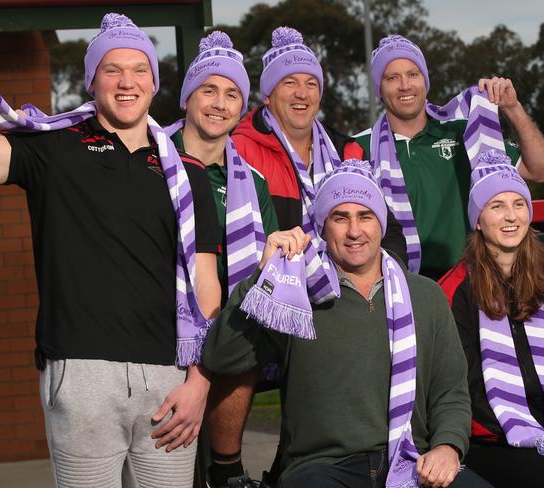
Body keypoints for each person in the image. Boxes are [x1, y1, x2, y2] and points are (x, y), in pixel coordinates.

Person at [0, 1, 221, 487]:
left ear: (155, 81)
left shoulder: (187, 175)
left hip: (170, 380)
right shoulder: (53, 149)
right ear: (92, 80)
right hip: (81, 377)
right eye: (112, 69)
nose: (127, 82)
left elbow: (206, 287)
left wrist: (200, 382)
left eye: (139, 69)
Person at [203, 160, 493, 488]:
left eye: (365, 216)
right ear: (323, 227)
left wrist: (447, 446)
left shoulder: (425, 295)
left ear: (381, 225)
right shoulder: (295, 292)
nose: (354, 231)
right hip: (321, 467)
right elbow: (222, 357)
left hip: (413, 459)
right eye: (340, 217)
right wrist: (262, 277)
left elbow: (450, 391)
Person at [207, 27, 407, 487]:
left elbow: (379, 221)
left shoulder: (344, 148)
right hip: (263, 278)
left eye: (311, 83)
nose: (301, 93)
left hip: (330, 284)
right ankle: (227, 473)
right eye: (289, 83)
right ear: (268, 92)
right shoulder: (237, 143)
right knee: (245, 340)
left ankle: (304, 463)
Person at [164, 31, 279, 487]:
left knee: (242, 334)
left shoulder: (252, 181)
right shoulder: (152, 159)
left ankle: (228, 472)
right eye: (208, 89)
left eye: (232, 93)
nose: (220, 102)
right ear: (187, 98)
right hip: (155, 331)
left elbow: (263, 266)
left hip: (223, 333)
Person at [354, 34, 544, 280]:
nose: (405, 85)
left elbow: (542, 170)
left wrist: (513, 108)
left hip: (471, 282)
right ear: (379, 88)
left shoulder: (463, 130)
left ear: (425, 81)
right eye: (392, 78)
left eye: (413, 74)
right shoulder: (360, 147)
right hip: (400, 286)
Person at [439, 151, 544, 487]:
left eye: (518, 204)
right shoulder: (453, 292)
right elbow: (460, 388)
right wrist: (537, 426)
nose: (510, 216)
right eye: (496, 206)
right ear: (478, 219)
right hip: (493, 438)